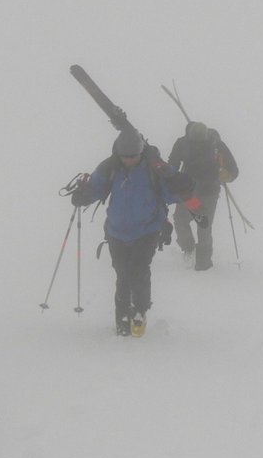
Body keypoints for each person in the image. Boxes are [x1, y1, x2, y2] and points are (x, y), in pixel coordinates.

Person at [68, 125, 186, 336]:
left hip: (147, 229)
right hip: (116, 231)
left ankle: (139, 311)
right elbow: (96, 187)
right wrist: (83, 196)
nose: (129, 160)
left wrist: (183, 187)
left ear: (141, 152)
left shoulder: (154, 168)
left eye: (133, 156)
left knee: (138, 271)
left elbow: (171, 192)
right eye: (125, 157)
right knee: (122, 274)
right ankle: (122, 316)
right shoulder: (111, 167)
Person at [166, 121, 240, 271]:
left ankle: (203, 262)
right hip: (189, 191)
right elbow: (172, 164)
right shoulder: (185, 143)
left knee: (201, 225)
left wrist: (228, 175)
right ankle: (190, 250)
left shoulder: (215, 145)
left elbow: (233, 168)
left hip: (206, 191)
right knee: (184, 221)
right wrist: (171, 179)